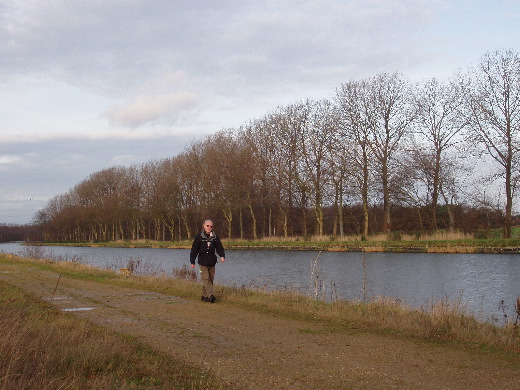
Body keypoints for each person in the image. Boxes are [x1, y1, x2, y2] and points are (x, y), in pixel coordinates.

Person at [190, 219, 225, 303]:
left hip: (212, 262)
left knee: (210, 279)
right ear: (204, 226)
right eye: (208, 226)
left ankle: (204, 296)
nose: (209, 227)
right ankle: (211, 296)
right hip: (202, 263)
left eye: (211, 226)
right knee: (206, 279)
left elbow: (219, 248)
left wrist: (222, 256)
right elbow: (194, 250)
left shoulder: (215, 237)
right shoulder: (198, 237)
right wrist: (192, 261)